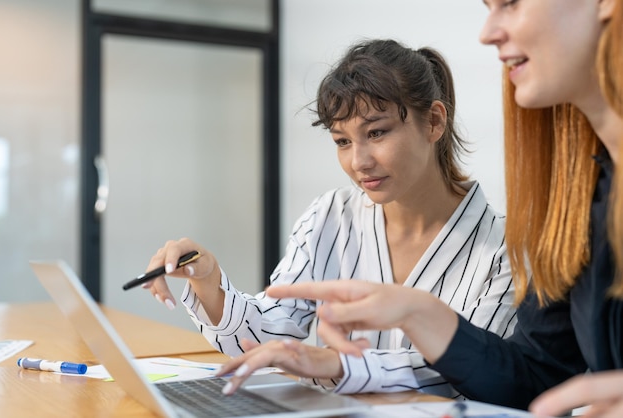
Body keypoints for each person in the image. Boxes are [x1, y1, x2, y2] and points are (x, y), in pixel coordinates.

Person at [236, 0, 623, 416]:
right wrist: (416, 312)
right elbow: (534, 376)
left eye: (511, 3)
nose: (487, 32)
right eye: (342, 141)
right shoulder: (578, 201)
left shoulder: (504, 242)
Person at [143, 39, 517, 398]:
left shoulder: (507, 246)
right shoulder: (329, 216)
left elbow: (480, 374)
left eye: (377, 132)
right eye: (342, 141)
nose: (359, 162)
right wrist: (208, 281)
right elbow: (266, 339)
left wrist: (340, 365)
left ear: (434, 122)